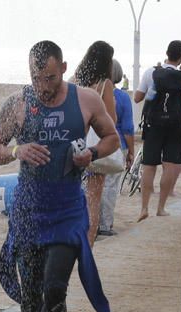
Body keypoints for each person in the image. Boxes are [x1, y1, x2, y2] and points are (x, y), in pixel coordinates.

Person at [0, 41, 119, 312]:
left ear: (63, 68)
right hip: (28, 210)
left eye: (49, 77)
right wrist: (17, 149)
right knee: (31, 296)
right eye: (35, 77)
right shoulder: (17, 105)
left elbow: (113, 140)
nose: (42, 86)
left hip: (67, 211)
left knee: (55, 289)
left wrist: (89, 154)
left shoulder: (86, 99)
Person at [134, 40, 181, 221]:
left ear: (166, 53)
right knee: (169, 166)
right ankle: (161, 207)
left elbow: (137, 98)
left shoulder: (151, 72)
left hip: (153, 125)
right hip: (174, 126)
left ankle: (144, 208)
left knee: (149, 166)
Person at [73, 41, 117, 248]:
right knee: (93, 198)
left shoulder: (74, 80)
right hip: (95, 149)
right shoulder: (103, 84)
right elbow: (111, 120)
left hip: (73, 143)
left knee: (72, 194)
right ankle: (87, 247)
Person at [98, 59, 135, 237]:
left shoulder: (92, 93)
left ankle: (91, 223)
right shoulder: (122, 98)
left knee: (92, 185)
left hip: (95, 147)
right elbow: (128, 129)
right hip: (115, 146)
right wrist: (131, 152)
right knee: (110, 187)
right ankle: (105, 225)